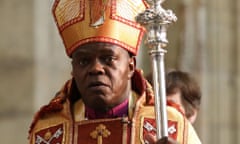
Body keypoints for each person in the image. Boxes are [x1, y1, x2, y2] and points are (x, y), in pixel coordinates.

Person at [28, 0, 201, 144]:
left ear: (130, 67)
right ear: (73, 70)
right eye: (83, 61)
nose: (96, 68)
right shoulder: (50, 132)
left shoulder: (170, 125)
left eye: (108, 58)